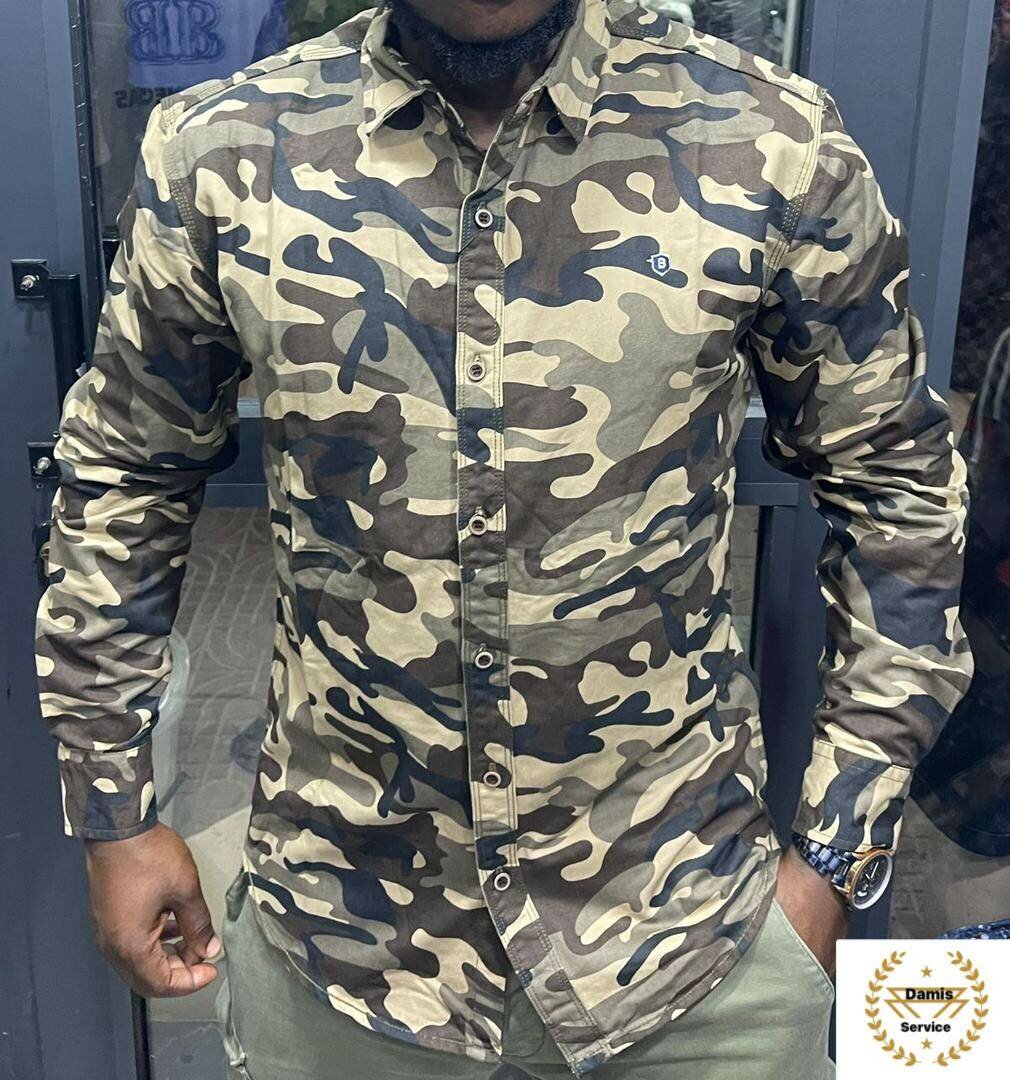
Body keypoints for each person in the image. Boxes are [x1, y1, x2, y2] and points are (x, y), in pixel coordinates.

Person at [34, 1, 974, 1077]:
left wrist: (836, 855)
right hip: (345, 945)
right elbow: (125, 476)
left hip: (690, 943)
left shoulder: (769, 140)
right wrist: (113, 811)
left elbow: (898, 489)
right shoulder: (224, 149)